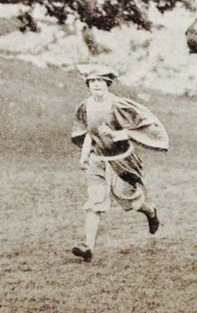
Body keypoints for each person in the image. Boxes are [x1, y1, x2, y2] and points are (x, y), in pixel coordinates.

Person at [70, 64, 170, 262]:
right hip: (97, 160)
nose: (96, 85)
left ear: (107, 83)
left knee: (130, 200)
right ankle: (88, 247)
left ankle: (150, 211)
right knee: (95, 202)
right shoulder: (86, 106)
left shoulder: (118, 105)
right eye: (92, 81)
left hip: (121, 162)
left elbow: (142, 126)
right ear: (88, 84)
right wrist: (84, 155)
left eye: (100, 81)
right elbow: (91, 133)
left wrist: (118, 134)